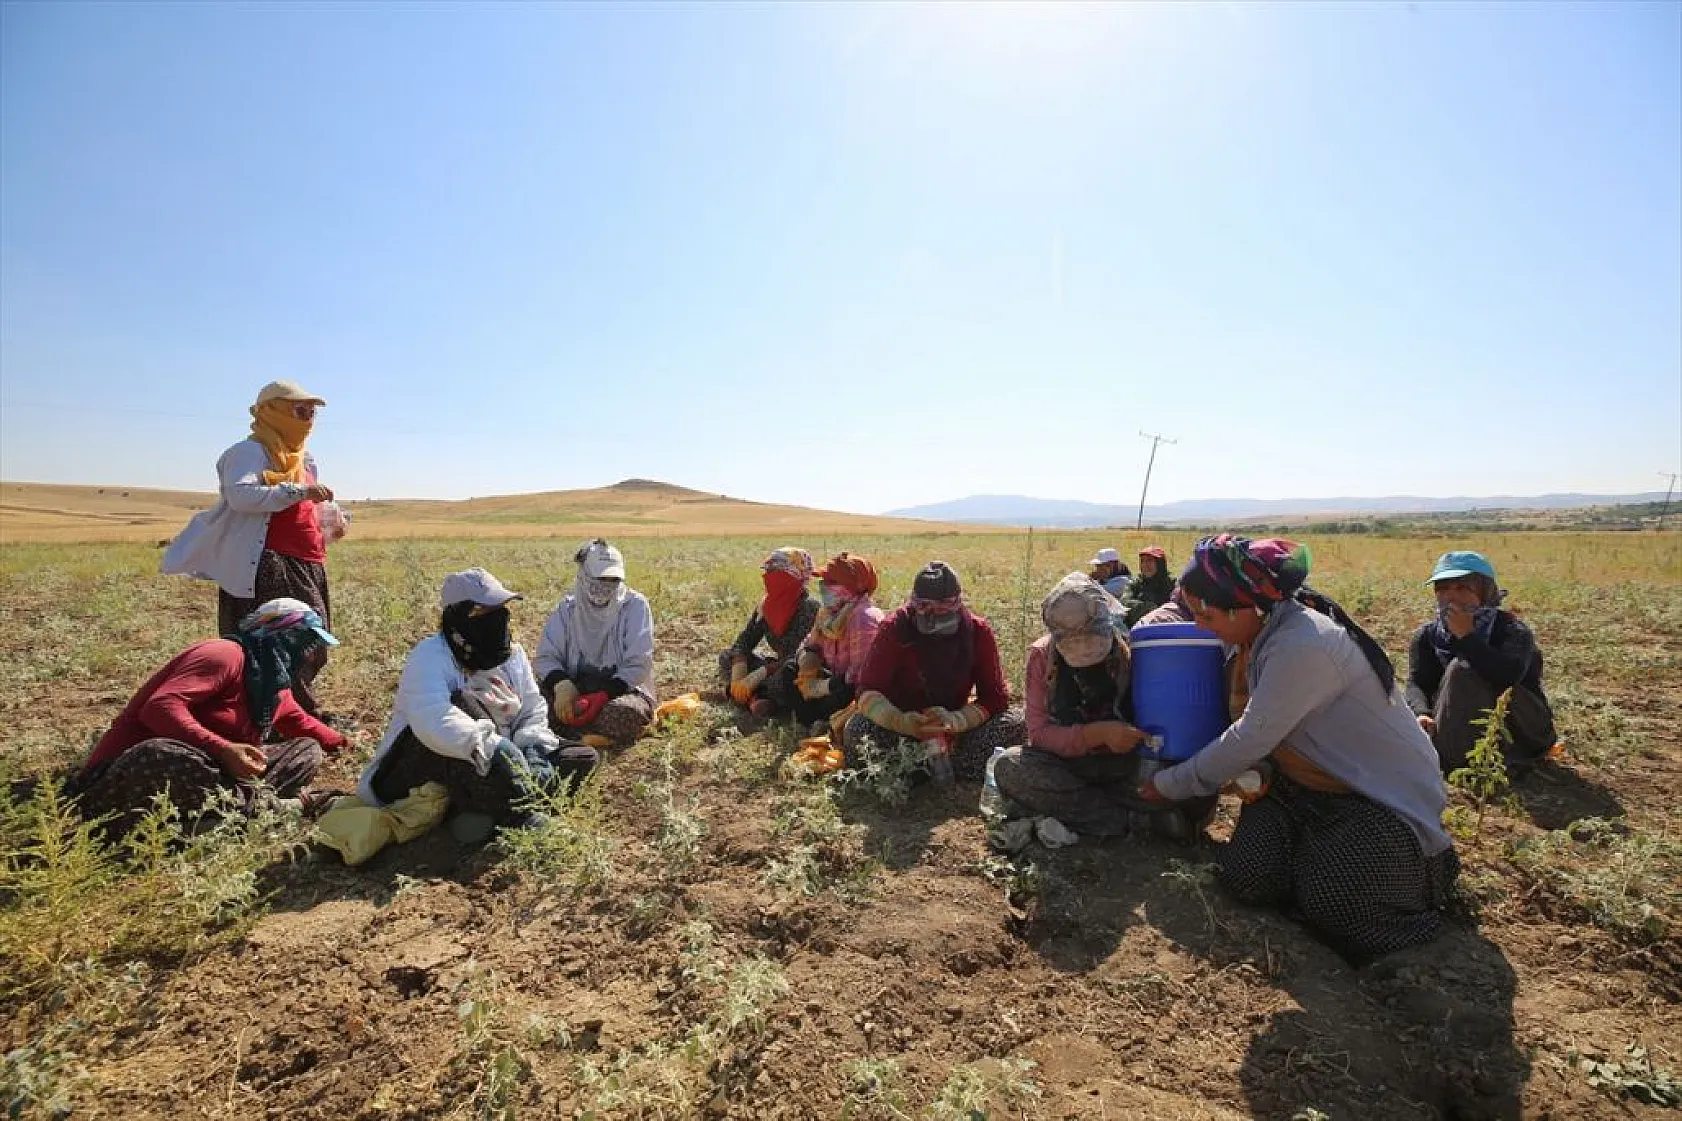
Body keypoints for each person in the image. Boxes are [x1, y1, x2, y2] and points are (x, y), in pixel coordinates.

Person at [1140, 535, 1458, 962]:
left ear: (1244, 609)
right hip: (1302, 787)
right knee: (1246, 877)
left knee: (1336, 908)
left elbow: (1250, 736)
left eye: (1206, 614)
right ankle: (1314, 864)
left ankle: (1422, 888)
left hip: (1372, 798)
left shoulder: (1302, 645)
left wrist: (1170, 785)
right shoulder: (1253, 633)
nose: (1200, 625)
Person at [71, 598, 345, 840]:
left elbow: (300, 723)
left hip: (215, 772)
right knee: (158, 754)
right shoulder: (223, 655)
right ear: (279, 635)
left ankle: (212, 820)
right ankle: (271, 809)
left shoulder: (273, 684)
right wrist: (223, 749)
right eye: (304, 642)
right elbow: (160, 708)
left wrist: (346, 743)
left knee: (306, 750)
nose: (307, 653)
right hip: (127, 781)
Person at [359, 569, 598, 836]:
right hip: (417, 765)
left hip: (495, 754)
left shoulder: (511, 654)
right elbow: (434, 719)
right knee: (464, 706)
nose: (496, 619)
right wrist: (496, 749)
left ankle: (483, 808)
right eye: (482, 613)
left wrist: (533, 748)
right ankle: (517, 815)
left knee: (581, 758)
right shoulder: (430, 656)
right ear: (457, 618)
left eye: (499, 610)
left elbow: (531, 707)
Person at [162, 380, 344, 718]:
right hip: (267, 561)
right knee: (283, 641)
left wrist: (332, 523)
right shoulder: (249, 452)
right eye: (298, 410)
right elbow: (241, 496)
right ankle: (281, 713)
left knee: (310, 641)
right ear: (270, 411)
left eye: (311, 412)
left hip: (306, 560)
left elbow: (307, 507)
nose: (307, 419)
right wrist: (299, 492)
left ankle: (286, 709)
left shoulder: (304, 458)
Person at [991, 573, 1209, 838]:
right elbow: (1039, 735)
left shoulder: (1137, 650)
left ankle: (1090, 811)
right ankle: (1136, 821)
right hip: (1070, 765)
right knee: (1010, 767)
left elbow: (1165, 724)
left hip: (1129, 766)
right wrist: (1096, 734)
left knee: (1194, 784)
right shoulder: (1042, 658)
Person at [844, 561, 1026, 780]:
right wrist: (902, 722)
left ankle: (928, 767)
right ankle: (921, 765)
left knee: (1016, 723)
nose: (934, 619)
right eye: (927, 610)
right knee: (857, 729)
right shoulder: (894, 630)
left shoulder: (977, 632)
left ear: (957, 605)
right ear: (915, 606)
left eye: (943, 611)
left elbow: (996, 696)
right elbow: (867, 691)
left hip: (954, 728)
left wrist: (958, 720)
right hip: (901, 728)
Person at [1406, 551, 1556, 775]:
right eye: (1443, 589)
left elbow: (1507, 676)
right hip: (1456, 721)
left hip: (1520, 725)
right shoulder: (1428, 635)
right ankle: (1453, 754)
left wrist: (1466, 637)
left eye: (1462, 588)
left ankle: (1456, 759)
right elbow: (1418, 681)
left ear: (1485, 593)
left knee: (1462, 669)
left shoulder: (1512, 630)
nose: (1451, 597)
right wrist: (1422, 712)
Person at [534, 539, 656, 747]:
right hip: (574, 687)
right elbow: (546, 657)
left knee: (626, 713)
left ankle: (573, 735)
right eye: (599, 579)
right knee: (532, 704)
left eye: (612, 580)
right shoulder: (566, 610)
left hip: (618, 691)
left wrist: (604, 694)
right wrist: (562, 685)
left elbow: (638, 663)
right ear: (583, 576)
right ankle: (590, 735)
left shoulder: (635, 606)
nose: (605, 586)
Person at [720, 547, 818, 719]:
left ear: (795, 574)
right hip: (775, 666)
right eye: (768, 571)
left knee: (785, 680)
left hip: (797, 668)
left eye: (776, 572)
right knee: (727, 657)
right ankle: (754, 699)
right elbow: (745, 639)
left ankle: (754, 697)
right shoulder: (767, 605)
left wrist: (760, 674)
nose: (769, 577)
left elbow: (798, 655)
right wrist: (739, 671)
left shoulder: (809, 607)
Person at [793, 552, 886, 728]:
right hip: (833, 676)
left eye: (831, 583)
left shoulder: (864, 618)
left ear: (851, 587)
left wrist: (821, 687)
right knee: (790, 669)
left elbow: (859, 676)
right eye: (823, 581)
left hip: (851, 686)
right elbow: (808, 644)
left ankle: (822, 720)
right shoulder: (827, 613)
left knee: (845, 692)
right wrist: (807, 662)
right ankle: (816, 718)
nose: (823, 587)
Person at [1121, 546, 1173, 625]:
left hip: (1165, 625)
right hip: (1137, 627)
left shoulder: (1172, 583)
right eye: (1142, 561)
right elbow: (1124, 602)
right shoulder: (1135, 583)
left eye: (1149, 561)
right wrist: (1147, 606)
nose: (1145, 565)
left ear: (1160, 564)